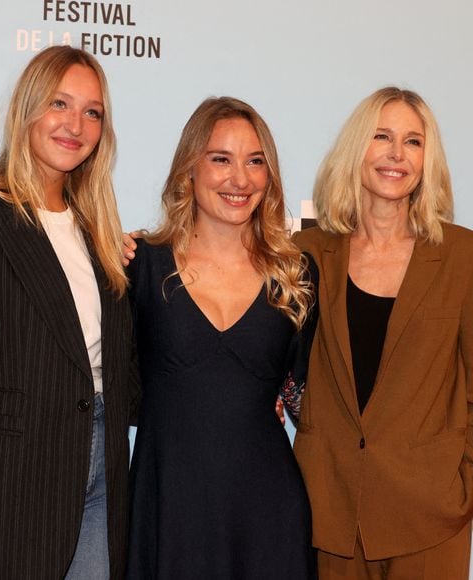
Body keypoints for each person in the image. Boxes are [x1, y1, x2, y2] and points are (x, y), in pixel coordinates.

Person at [293, 87, 473, 579]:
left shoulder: (467, 257)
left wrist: (470, 485)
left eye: (413, 142)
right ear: (355, 149)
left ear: (427, 160)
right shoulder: (307, 253)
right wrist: (146, 248)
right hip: (330, 511)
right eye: (382, 136)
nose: (396, 154)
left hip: (430, 515)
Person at [0, 46, 139, 580]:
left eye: (92, 111)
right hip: (10, 482)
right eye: (60, 103)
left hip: (104, 474)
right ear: (28, 110)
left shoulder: (101, 237)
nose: (75, 124)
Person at [124, 96, 316, 579]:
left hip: (269, 515)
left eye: (255, 162)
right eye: (221, 159)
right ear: (189, 167)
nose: (240, 179)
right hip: (169, 509)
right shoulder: (140, 264)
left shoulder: (296, 276)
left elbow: (304, 398)